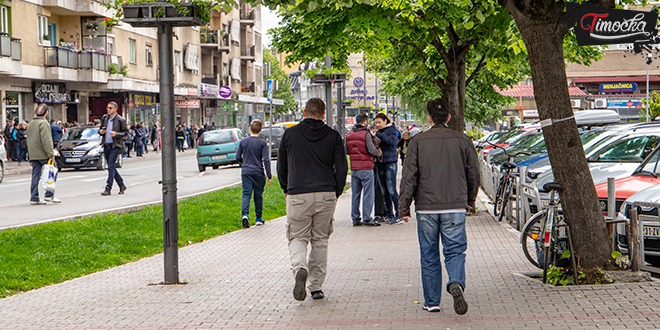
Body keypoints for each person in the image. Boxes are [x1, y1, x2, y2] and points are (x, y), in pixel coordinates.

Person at [399, 98, 479, 315]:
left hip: (426, 207)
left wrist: (404, 207)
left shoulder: (418, 142)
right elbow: (474, 173)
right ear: (449, 117)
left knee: (429, 253)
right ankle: (455, 283)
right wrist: (470, 200)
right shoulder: (463, 140)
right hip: (455, 206)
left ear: (429, 117)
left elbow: (409, 176)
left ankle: (432, 302)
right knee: (454, 250)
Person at [277, 98, 348, 301]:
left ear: (304, 112)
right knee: (320, 239)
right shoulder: (333, 136)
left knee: (297, 236)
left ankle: (300, 267)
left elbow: (282, 165)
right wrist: (336, 191)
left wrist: (286, 188)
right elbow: (342, 168)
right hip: (326, 193)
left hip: (297, 193)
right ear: (324, 114)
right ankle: (316, 286)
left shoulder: (290, 134)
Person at [345, 114, 381, 227]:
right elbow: (371, 150)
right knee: (368, 194)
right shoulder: (366, 134)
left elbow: (346, 150)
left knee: (355, 194)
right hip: (366, 167)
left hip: (354, 169)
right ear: (365, 122)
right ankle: (366, 218)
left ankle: (355, 218)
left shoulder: (349, 134)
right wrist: (377, 152)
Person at [236, 119, 273, 228]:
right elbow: (266, 160)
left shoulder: (243, 141)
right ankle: (258, 218)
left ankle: (245, 215)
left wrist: (244, 163)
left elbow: (237, 157)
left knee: (246, 194)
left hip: (246, 172)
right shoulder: (262, 143)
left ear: (250, 129)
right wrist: (269, 175)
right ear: (260, 130)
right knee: (258, 195)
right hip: (258, 172)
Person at [27, 104, 59, 205]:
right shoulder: (43, 123)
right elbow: (46, 140)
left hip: (33, 154)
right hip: (43, 153)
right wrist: (50, 154)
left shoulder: (31, 123)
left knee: (35, 176)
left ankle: (34, 197)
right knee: (53, 171)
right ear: (46, 113)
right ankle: (49, 194)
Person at [374, 113, 402, 225]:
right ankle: (389, 215)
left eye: (379, 122)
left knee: (391, 190)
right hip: (380, 162)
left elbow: (392, 142)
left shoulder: (391, 130)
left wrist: (379, 135)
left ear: (385, 121)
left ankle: (399, 214)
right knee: (384, 191)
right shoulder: (379, 131)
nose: (378, 125)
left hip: (390, 162)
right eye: (376, 123)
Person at [98, 102, 128, 196]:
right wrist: (101, 131)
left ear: (115, 109)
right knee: (111, 167)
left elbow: (126, 133)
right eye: (107, 108)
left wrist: (116, 134)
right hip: (106, 144)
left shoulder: (120, 120)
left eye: (110, 108)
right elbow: (100, 129)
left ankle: (108, 187)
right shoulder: (105, 118)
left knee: (111, 165)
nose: (108, 109)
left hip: (115, 145)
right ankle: (121, 185)